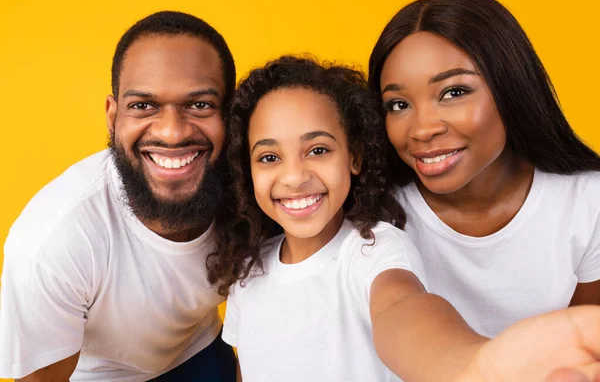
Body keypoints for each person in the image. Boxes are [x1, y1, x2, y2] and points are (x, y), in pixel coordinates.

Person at [207, 55, 600, 382]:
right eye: (269, 157)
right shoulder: (248, 269)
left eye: (318, 150)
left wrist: (469, 364)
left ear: (355, 156)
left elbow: (401, 308)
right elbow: (251, 366)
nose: (294, 176)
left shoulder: (372, 248)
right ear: (248, 171)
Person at [0, 11, 237, 381]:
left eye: (200, 104)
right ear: (113, 117)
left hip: (197, 350)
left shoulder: (261, 191)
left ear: (231, 115)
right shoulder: (55, 240)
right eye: (144, 105)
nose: (172, 133)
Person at [367, 0, 600, 339]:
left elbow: (585, 349)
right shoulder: (374, 213)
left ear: (511, 87)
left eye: (454, 92)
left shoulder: (586, 201)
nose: (423, 129)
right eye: (398, 104)